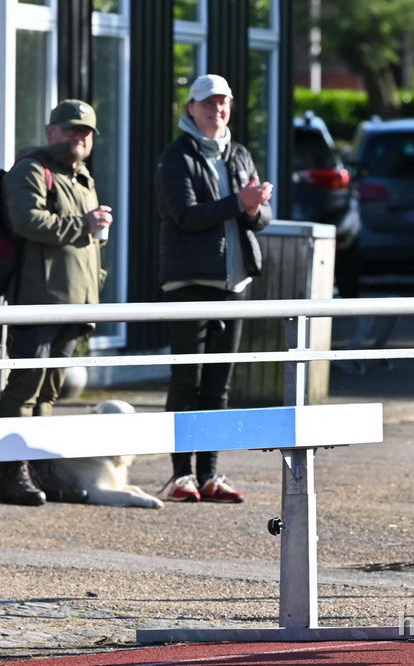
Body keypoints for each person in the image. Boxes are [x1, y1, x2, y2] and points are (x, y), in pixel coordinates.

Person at [156, 74, 272, 503]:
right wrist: (239, 203)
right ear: (190, 108)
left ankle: (210, 474)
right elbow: (185, 215)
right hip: (188, 284)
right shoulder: (176, 156)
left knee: (219, 385)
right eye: (208, 104)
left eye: (223, 104)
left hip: (233, 284)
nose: (216, 110)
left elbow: (262, 219)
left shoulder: (238, 153)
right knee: (186, 381)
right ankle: (180, 475)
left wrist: (256, 206)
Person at [0, 99, 111, 506]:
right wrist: (85, 224)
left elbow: (89, 243)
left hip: (77, 302)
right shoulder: (31, 169)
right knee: (26, 387)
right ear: (50, 132)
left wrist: (96, 283)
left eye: (85, 132)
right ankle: (12, 471)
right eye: (69, 130)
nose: (77, 138)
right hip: (40, 299)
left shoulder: (83, 178)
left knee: (50, 390)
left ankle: (41, 468)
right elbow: (27, 221)